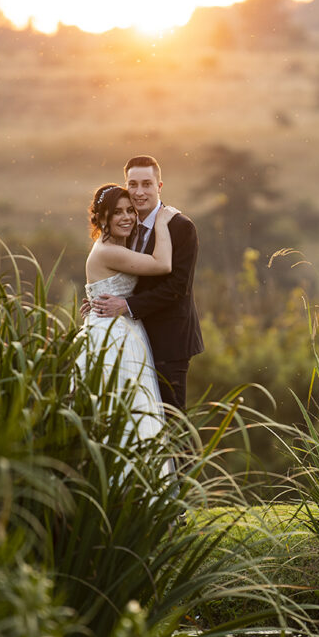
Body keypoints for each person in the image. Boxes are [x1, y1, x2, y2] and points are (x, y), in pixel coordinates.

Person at [89, 156, 203, 410]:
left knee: (170, 418)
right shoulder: (125, 227)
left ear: (159, 186)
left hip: (168, 340)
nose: (139, 192)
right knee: (133, 412)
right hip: (131, 337)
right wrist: (99, 297)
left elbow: (177, 287)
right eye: (133, 185)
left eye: (147, 184)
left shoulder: (181, 227)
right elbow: (120, 274)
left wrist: (126, 305)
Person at [77, 183, 179, 442]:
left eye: (130, 211)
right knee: (124, 409)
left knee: (128, 408)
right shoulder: (110, 251)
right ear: (102, 218)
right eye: (118, 213)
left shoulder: (113, 246)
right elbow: (163, 264)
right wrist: (162, 223)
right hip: (114, 337)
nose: (127, 218)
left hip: (118, 328)